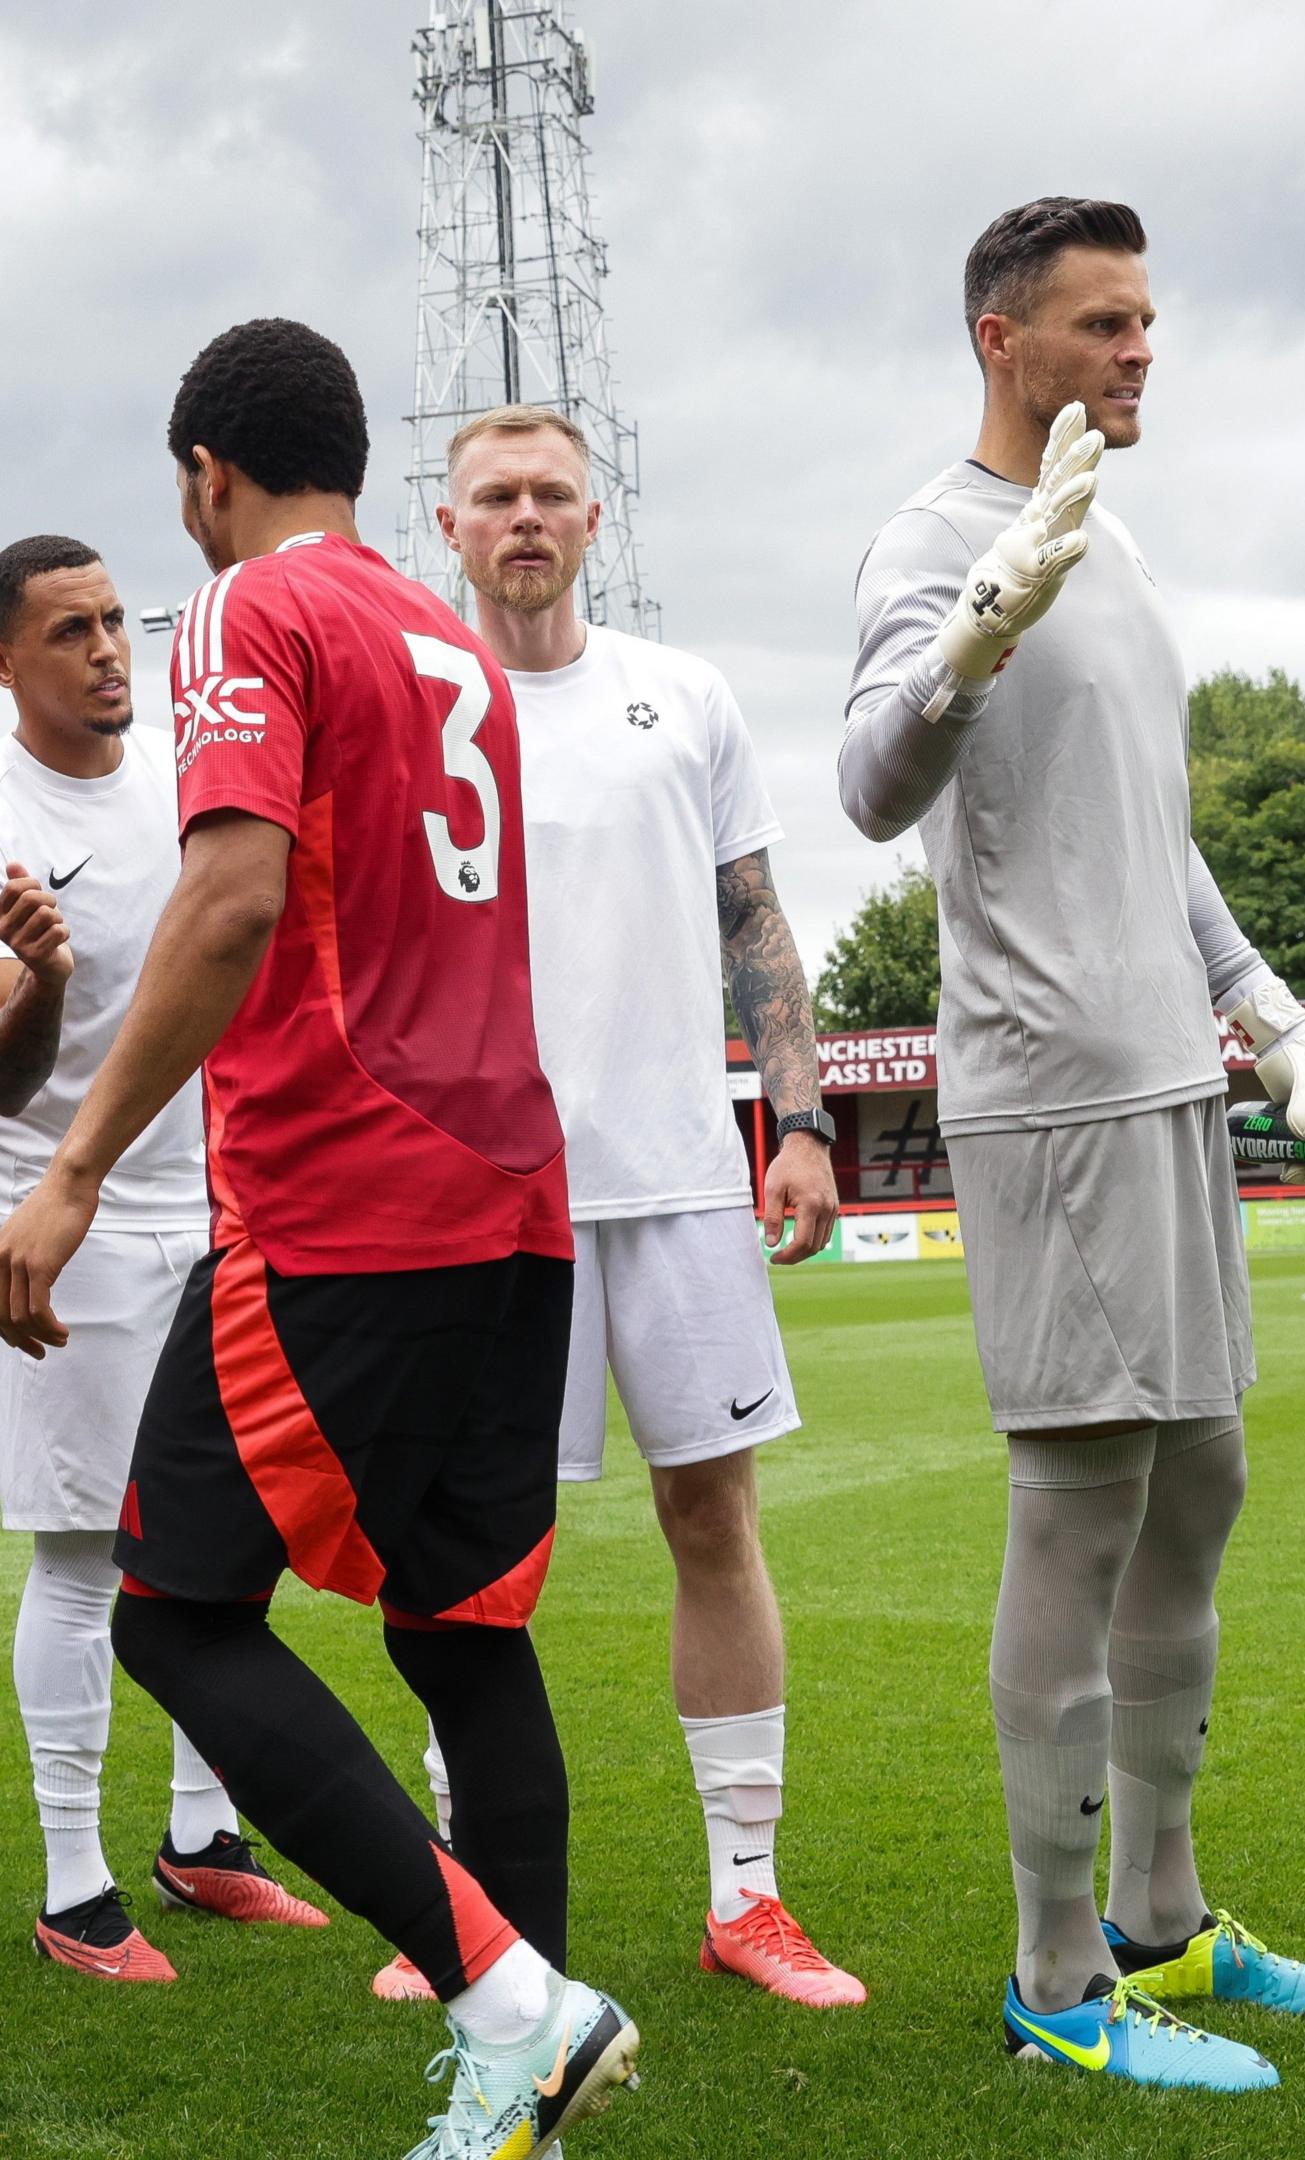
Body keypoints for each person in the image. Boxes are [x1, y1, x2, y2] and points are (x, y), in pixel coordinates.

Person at [0, 318, 640, 2160]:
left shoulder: (253, 617)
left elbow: (233, 893)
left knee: (179, 1616)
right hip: (516, 1198)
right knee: (463, 1638)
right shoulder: (452, 639)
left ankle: (516, 2004)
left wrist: (79, 1163)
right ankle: (530, 2092)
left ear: (206, 475)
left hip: (352, 1195)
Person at [842, 196, 1305, 2091]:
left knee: (1202, 1483)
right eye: (1104, 323)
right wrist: (980, 632)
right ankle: (1057, 1976)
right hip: (1052, 1088)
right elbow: (871, 781)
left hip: (1171, 1075)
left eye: (1150, 321)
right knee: (1078, 1516)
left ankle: (1165, 1913)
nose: (1141, 350)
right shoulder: (935, 546)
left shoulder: (1114, 537)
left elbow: (1158, 832)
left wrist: (1279, 1024)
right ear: (1005, 338)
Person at [428, 403, 865, 2009]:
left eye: (552, 494)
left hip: (681, 1177)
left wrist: (801, 1118)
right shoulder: (418, 711)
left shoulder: (683, 697)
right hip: (483, 1197)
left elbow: (758, 915)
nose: (526, 518)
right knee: (472, 1554)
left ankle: (747, 1897)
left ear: (593, 524)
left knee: (715, 1523)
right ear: (449, 525)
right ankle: (468, 1902)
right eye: (496, 497)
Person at [0, 536, 299, 1981]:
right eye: (68, 632)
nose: (109, 650)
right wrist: (47, 984)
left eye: (116, 622)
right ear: (4, 664)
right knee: (85, 1562)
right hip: (57, 1230)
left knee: (221, 1550)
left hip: (213, 1208)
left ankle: (203, 1845)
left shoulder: (189, 776)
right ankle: (74, 1890)